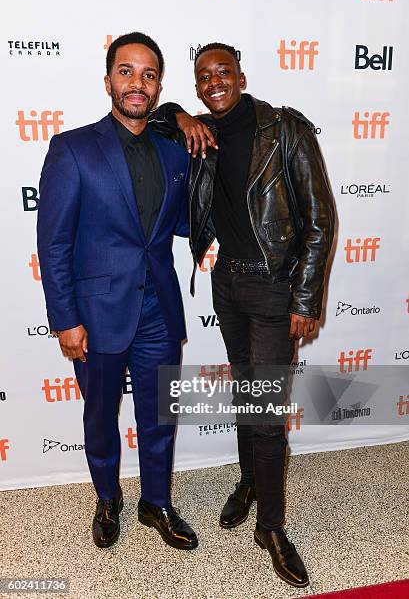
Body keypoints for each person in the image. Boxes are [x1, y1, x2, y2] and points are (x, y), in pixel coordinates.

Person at [37, 32, 213, 551]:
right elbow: (53, 243)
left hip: (159, 307)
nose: (138, 83)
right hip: (95, 315)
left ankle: (156, 502)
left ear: (159, 86)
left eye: (149, 74)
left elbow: (183, 221)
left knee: (160, 414)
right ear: (109, 79)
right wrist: (65, 319)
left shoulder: (174, 152)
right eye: (127, 71)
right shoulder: (72, 148)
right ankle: (107, 497)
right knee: (100, 416)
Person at [172, 42, 335, 587]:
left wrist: (305, 300)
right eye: (204, 76)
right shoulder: (200, 130)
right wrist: (176, 113)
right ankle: (247, 481)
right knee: (246, 394)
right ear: (196, 86)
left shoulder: (285, 129)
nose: (214, 82)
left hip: (273, 291)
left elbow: (320, 219)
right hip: (228, 286)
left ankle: (272, 526)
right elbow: (150, 118)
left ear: (241, 75)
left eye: (223, 72)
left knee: (265, 414)